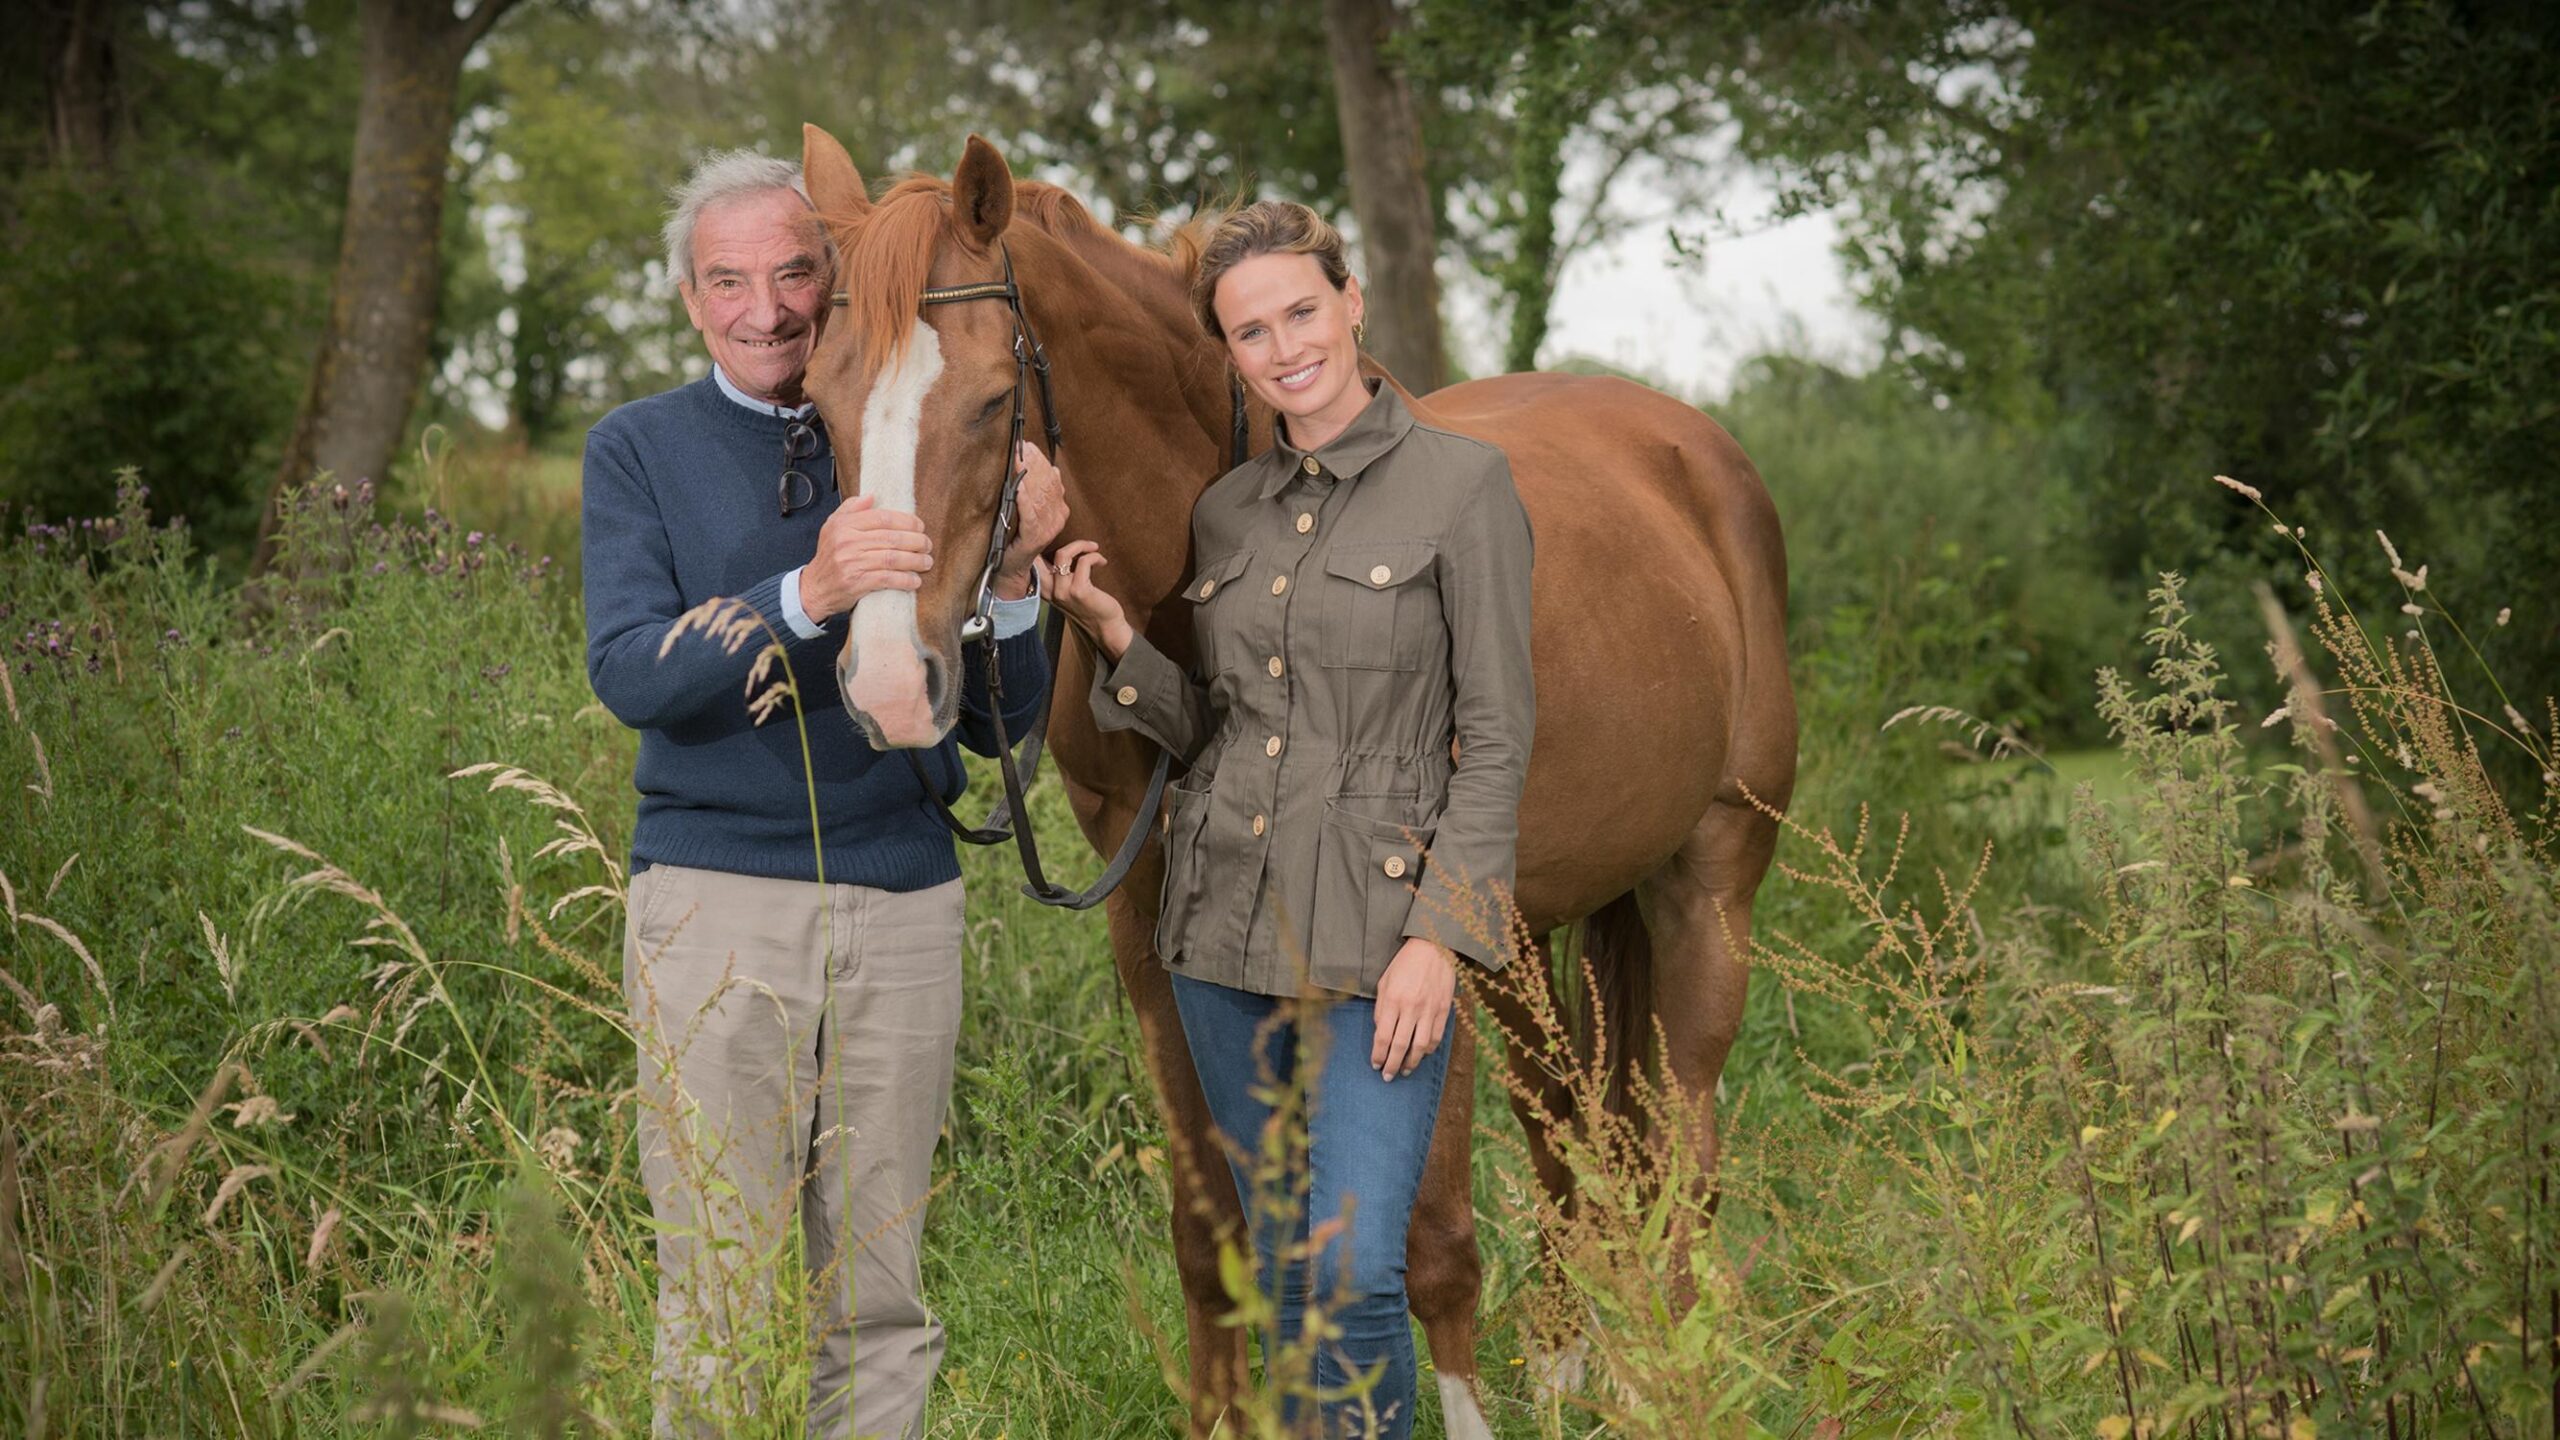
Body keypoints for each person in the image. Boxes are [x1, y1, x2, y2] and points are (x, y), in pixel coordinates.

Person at [580, 150, 1064, 1440]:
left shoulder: (903, 404)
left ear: (834, 278)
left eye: (796, 272)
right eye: (728, 280)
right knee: (722, 1285)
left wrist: (1014, 576)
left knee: (882, 1297)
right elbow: (630, 672)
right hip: (716, 902)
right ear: (691, 300)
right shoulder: (639, 449)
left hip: (902, 898)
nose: (768, 307)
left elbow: (1006, 723)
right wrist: (811, 594)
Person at [1042, 201, 1534, 1440]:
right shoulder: (1231, 512)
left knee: (1356, 1269)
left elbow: (1499, 737)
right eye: (1248, 331)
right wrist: (1114, 641)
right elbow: (1220, 733)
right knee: (1288, 1268)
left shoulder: (1463, 486)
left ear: (1351, 301)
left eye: (1300, 311)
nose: (1282, 347)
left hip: (1379, 944)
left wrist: (1443, 937)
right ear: (1228, 353)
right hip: (1217, 941)